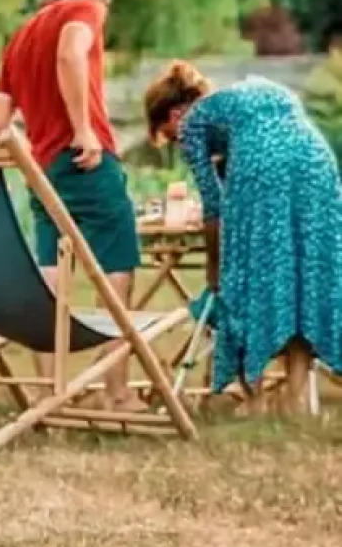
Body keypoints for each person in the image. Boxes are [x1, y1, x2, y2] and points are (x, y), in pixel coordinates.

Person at [0, 0, 145, 411]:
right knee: (116, 264)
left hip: (43, 170)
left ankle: (48, 390)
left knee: (50, 274)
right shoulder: (86, 8)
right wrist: (82, 129)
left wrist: (34, 143)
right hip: (84, 160)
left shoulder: (20, 39)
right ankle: (116, 393)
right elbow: (71, 54)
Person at [144, 61, 342, 413]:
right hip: (317, 164)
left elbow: (213, 207)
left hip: (264, 168)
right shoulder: (239, 98)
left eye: (171, 136)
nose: (179, 142)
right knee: (303, 281)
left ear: (175, 115)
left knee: (247, 281)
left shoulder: (193, 121)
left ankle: (253, 394)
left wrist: (215, 267)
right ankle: (296, 398)